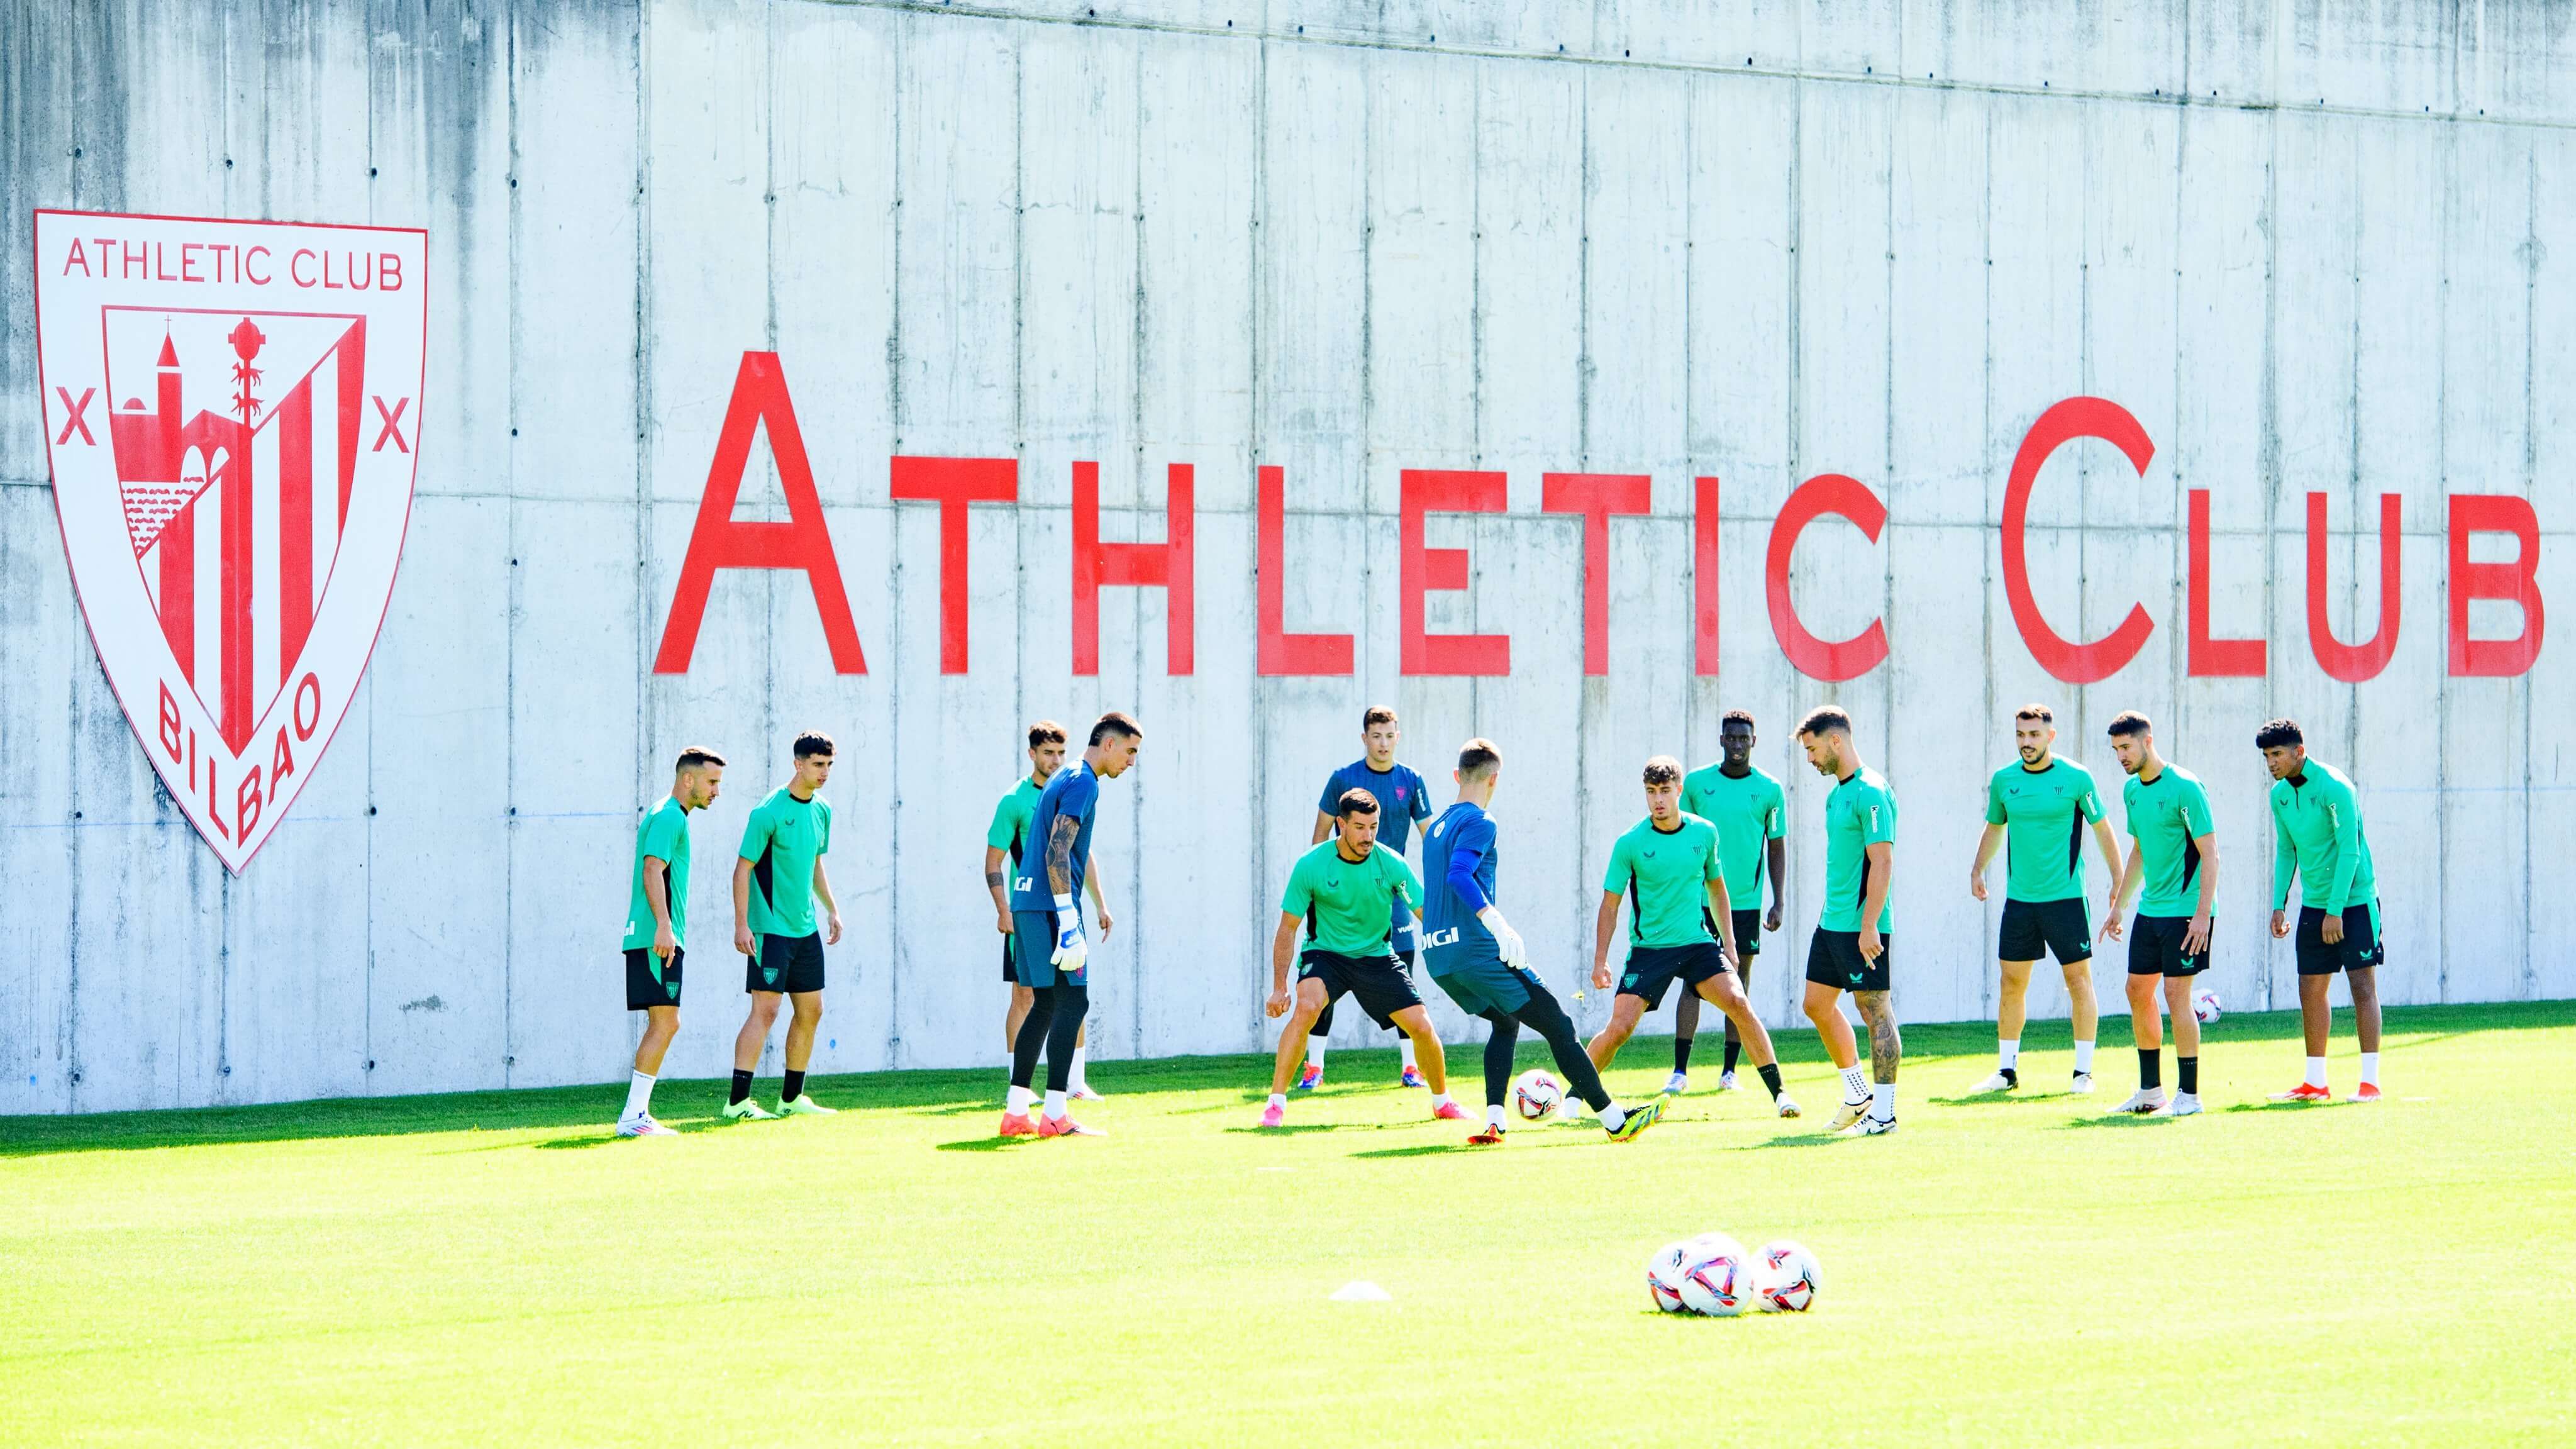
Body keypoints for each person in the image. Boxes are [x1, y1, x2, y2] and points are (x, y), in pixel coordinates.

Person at [1419, 739, 1662, 1145]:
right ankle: (1615, 1120)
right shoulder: (1481, 821)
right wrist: (1497, 923)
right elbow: (1459, 875)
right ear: (1495, 779)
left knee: (1505, 1022)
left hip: (1438, 958)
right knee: (1559, 1025)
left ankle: (1495, 1121)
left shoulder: (1436, 829)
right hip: (1476, 951)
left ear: (1457, 776)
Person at [1583, 757, 1801, 1118]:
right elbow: (1610, 904)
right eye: (1651, 792)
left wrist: (1730, 945)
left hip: (1697, 944)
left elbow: (1717, 888)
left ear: (1679, 791)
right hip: (1649, 949)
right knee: (1620, 1028)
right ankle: (1573, 1098)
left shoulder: (1704, 833)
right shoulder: (1630, 842)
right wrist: (1600, 960)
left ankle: (1781, 1096)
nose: (1658, 800)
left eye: (1665, 791)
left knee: (1739, 1003)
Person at [1259, 789, 1465, 1128]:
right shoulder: (1311, 865)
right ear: (1341, 825)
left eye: (1373, 827)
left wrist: (1460, 951)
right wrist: (1279, 987)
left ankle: (1443, 1102)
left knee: (1421, 1026)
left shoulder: (1391, 863)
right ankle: (1275, 1104)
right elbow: (1287, 928)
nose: (1368, 836)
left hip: (1377, 956)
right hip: (1326, 954)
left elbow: (1427, 913)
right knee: (1307, 1007)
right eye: (1359, 827)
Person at [1967, 704, 2124, 1096]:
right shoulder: (2004, 780)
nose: (2027, 742)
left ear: (2050, 737)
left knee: (2078, 981)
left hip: (2066, 900)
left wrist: (2118, 880)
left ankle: (2083, 1074)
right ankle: (2006, 1071)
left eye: (2034, 735)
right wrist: (1977, 869)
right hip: (2020, 902)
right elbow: (1994, 827)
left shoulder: (2076, 778)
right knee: (2011, 983)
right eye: (2021, 735)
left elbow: (2103, 829)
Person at [1000, 713, 1143, 1138]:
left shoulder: (1065, 775)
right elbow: (1057, 850)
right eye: (1130, 751)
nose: (1132, 762)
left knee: (1045, 1005)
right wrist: (1068, 920)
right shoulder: (1084, 781)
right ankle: (1056, 1115)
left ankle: (1016, 1113)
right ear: (1109, 744)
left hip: (1028, 903)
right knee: (1073, 1003)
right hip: (1051, 906)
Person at [1299, 706, 1436, 1091]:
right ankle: (1314, 1067)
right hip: (1341, 894)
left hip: (1392, 891)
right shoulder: (1343, 779)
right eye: (1376, 736)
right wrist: (1318, 888)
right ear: (1365, 738)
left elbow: (1430, 836)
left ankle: (1410, 1068)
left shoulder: (1411, 780)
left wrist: (1441, 881)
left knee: (1403, 971)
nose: (1383, 743)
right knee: (1323, 977)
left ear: (1398, 737)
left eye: (1390, 736)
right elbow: (1320, 836)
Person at [2258, 719, 2385, 1103]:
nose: (2271, 763)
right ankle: (2315, 1083)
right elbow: (2287, 851)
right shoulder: (2279, 796)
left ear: (2299, 751)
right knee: (2310, 990)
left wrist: (2335, 911)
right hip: (2314, 906)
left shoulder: (2336, 787)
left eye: (2277, 754)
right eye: (2267, 757)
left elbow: (2350, 851)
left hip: (2354, 902)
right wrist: (2278, 905)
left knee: (2362, 986)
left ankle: (2370, 1083)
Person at [2100, 712, 2219, 1116]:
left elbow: (2210, 853)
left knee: (2176, 995)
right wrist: (2119, 906)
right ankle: (2151, 1092)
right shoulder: (2132, 791)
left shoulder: (2186, 787)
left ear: (2147, 741)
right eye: (2116, 749)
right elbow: (2139, 850)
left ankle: (2190, 1096)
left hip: (2186, 912)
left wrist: (2202, 915)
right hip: (2151, 909)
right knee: (2137, 991)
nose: (2121, 756)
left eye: (2126, 747)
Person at [984, 721, 1108, 1100]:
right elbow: (995, 861)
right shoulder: (1016, 799)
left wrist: (1100, 903)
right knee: (1032, 997)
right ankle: (1022, 1089)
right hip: (1037, 910)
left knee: (1068, 997)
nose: (1055, 760)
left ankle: (1073, 1084)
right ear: (1032, 754)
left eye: (1061, 752)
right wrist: (1003, 909)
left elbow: (1079, 854)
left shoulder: (1066, 784)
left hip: (1056, 905)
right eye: (1048, 753)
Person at [1794, 708, 1902, 1136]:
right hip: (1831, 924)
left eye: (1812, 749)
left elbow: (1883, 861)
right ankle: (1858, 1095)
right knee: (1816, 1004)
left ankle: (1885, 1115)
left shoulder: (1871, 792)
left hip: (1863, 927)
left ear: (1835, 741)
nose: (1810, 759)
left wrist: (1870, 925)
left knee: (1874, 1011)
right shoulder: (1836, 795)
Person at [726, 732, 844, 1119]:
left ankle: (791, 1099)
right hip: (770, 929)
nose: (824, 772)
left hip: (805, 929)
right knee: (766, 1011)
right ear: (798, 764)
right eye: (817, 765)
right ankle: (737, 1103)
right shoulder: (768, 811)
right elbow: (742, 870)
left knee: (812, 1011)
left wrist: (832, 909)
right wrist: (742, 925)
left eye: (829, 765)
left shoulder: (822, 810)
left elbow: (815, 864)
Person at [616, 747, 725, 1136]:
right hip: (657, 938)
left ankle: (636, 1115)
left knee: (665, 1022)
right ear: (688, 779)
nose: (716, 791)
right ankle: (633, 1117)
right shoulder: (669, 816)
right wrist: (664, 926)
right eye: (712, 782)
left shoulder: (668, 814)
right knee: (666, 1022)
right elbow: (652, 869)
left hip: (656, 935)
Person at [1679, 711, 1790, 1094]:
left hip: (1745, 904)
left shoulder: (1770, 789)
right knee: (1693, 981)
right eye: (1732, 738)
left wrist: (1778, 901)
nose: (1738, 745)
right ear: (1721, 739)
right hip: (1700, 902)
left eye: (1745, 738)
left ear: (1753, 741)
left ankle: (1729, 1072)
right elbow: (1682, 840)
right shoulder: (1696, 784)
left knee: (1738, 985)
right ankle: (1679, 1072)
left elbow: (1776, 846)